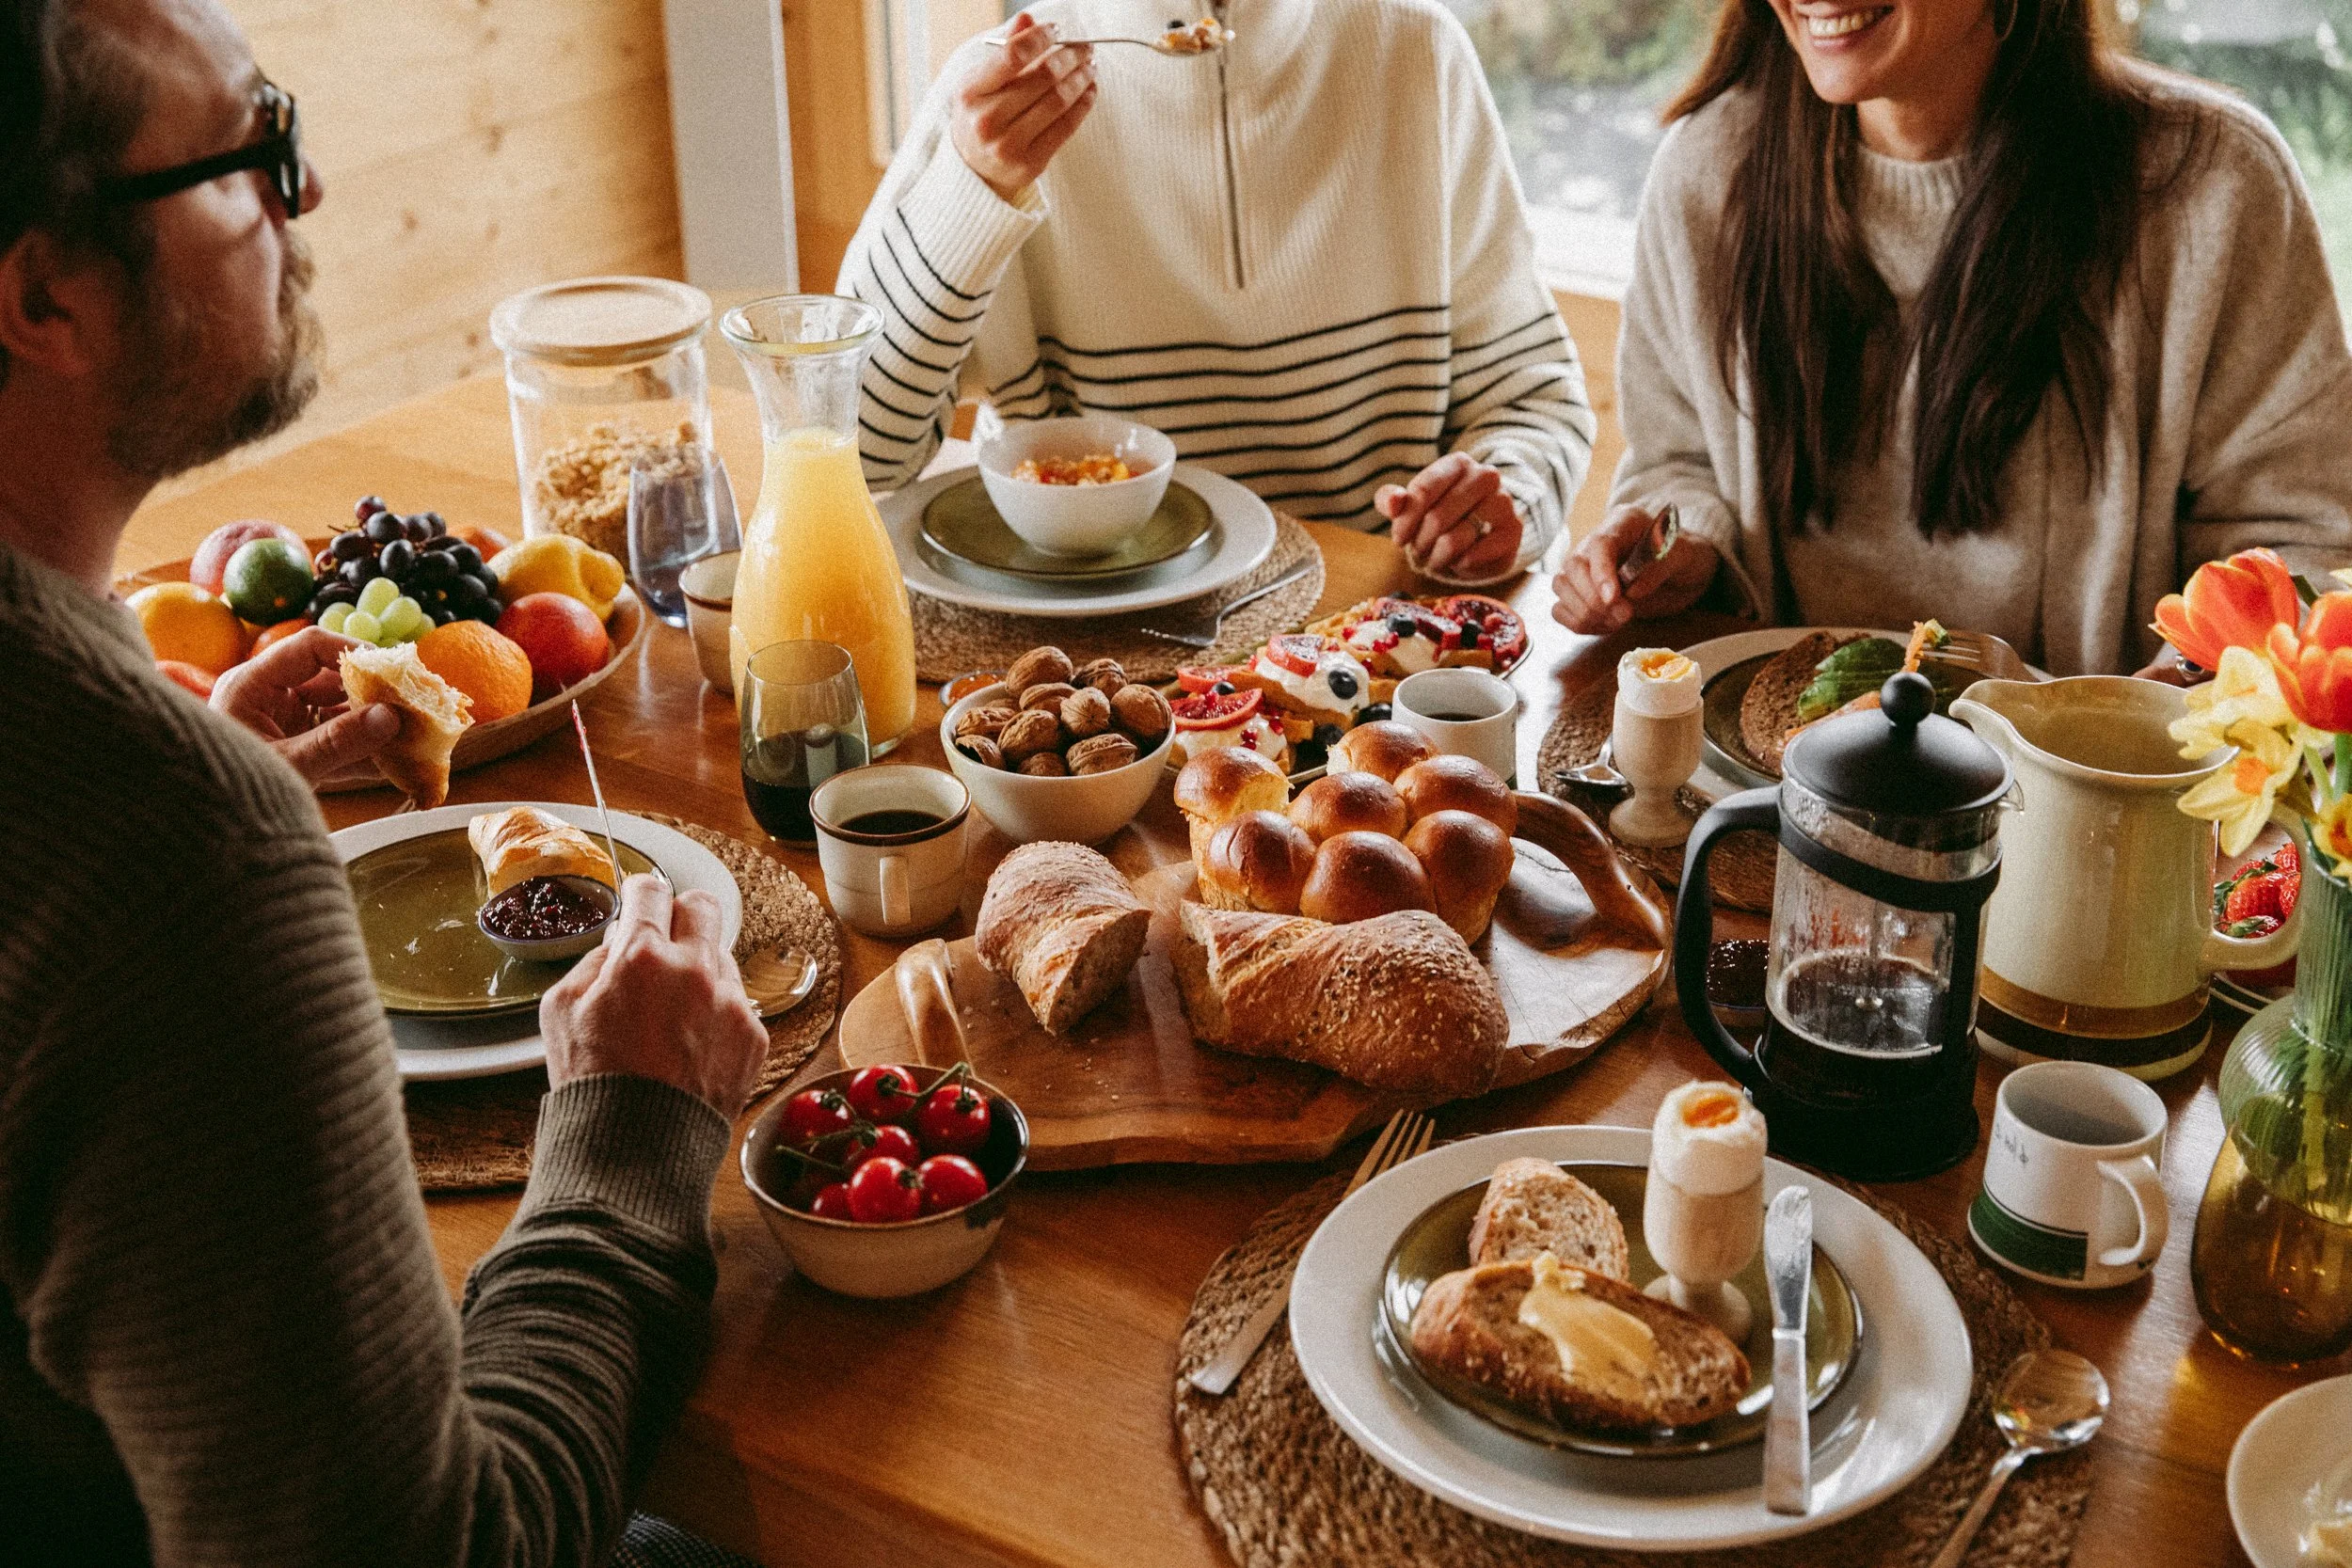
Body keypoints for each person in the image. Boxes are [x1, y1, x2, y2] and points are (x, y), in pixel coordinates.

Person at [0, 2, 770, 1563]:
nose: (307, 194)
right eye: (249, 148)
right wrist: (622, 1145)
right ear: (41, 296)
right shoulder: (169, 846)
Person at [1550, 0, 2352, 674]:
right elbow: (1680, 465)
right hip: (1762, 796)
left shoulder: (2216, 187)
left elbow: (2305, 550)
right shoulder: (1704, 174)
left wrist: (2172, 696)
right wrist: (1681, 551)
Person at [838, 1, 1598, 587]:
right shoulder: (998, 91)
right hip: (1101, 662)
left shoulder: (1417, 51)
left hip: (1380, 641)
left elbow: (1534, 402)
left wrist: (1503, 506)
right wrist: (971, 190)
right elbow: (857, 448)